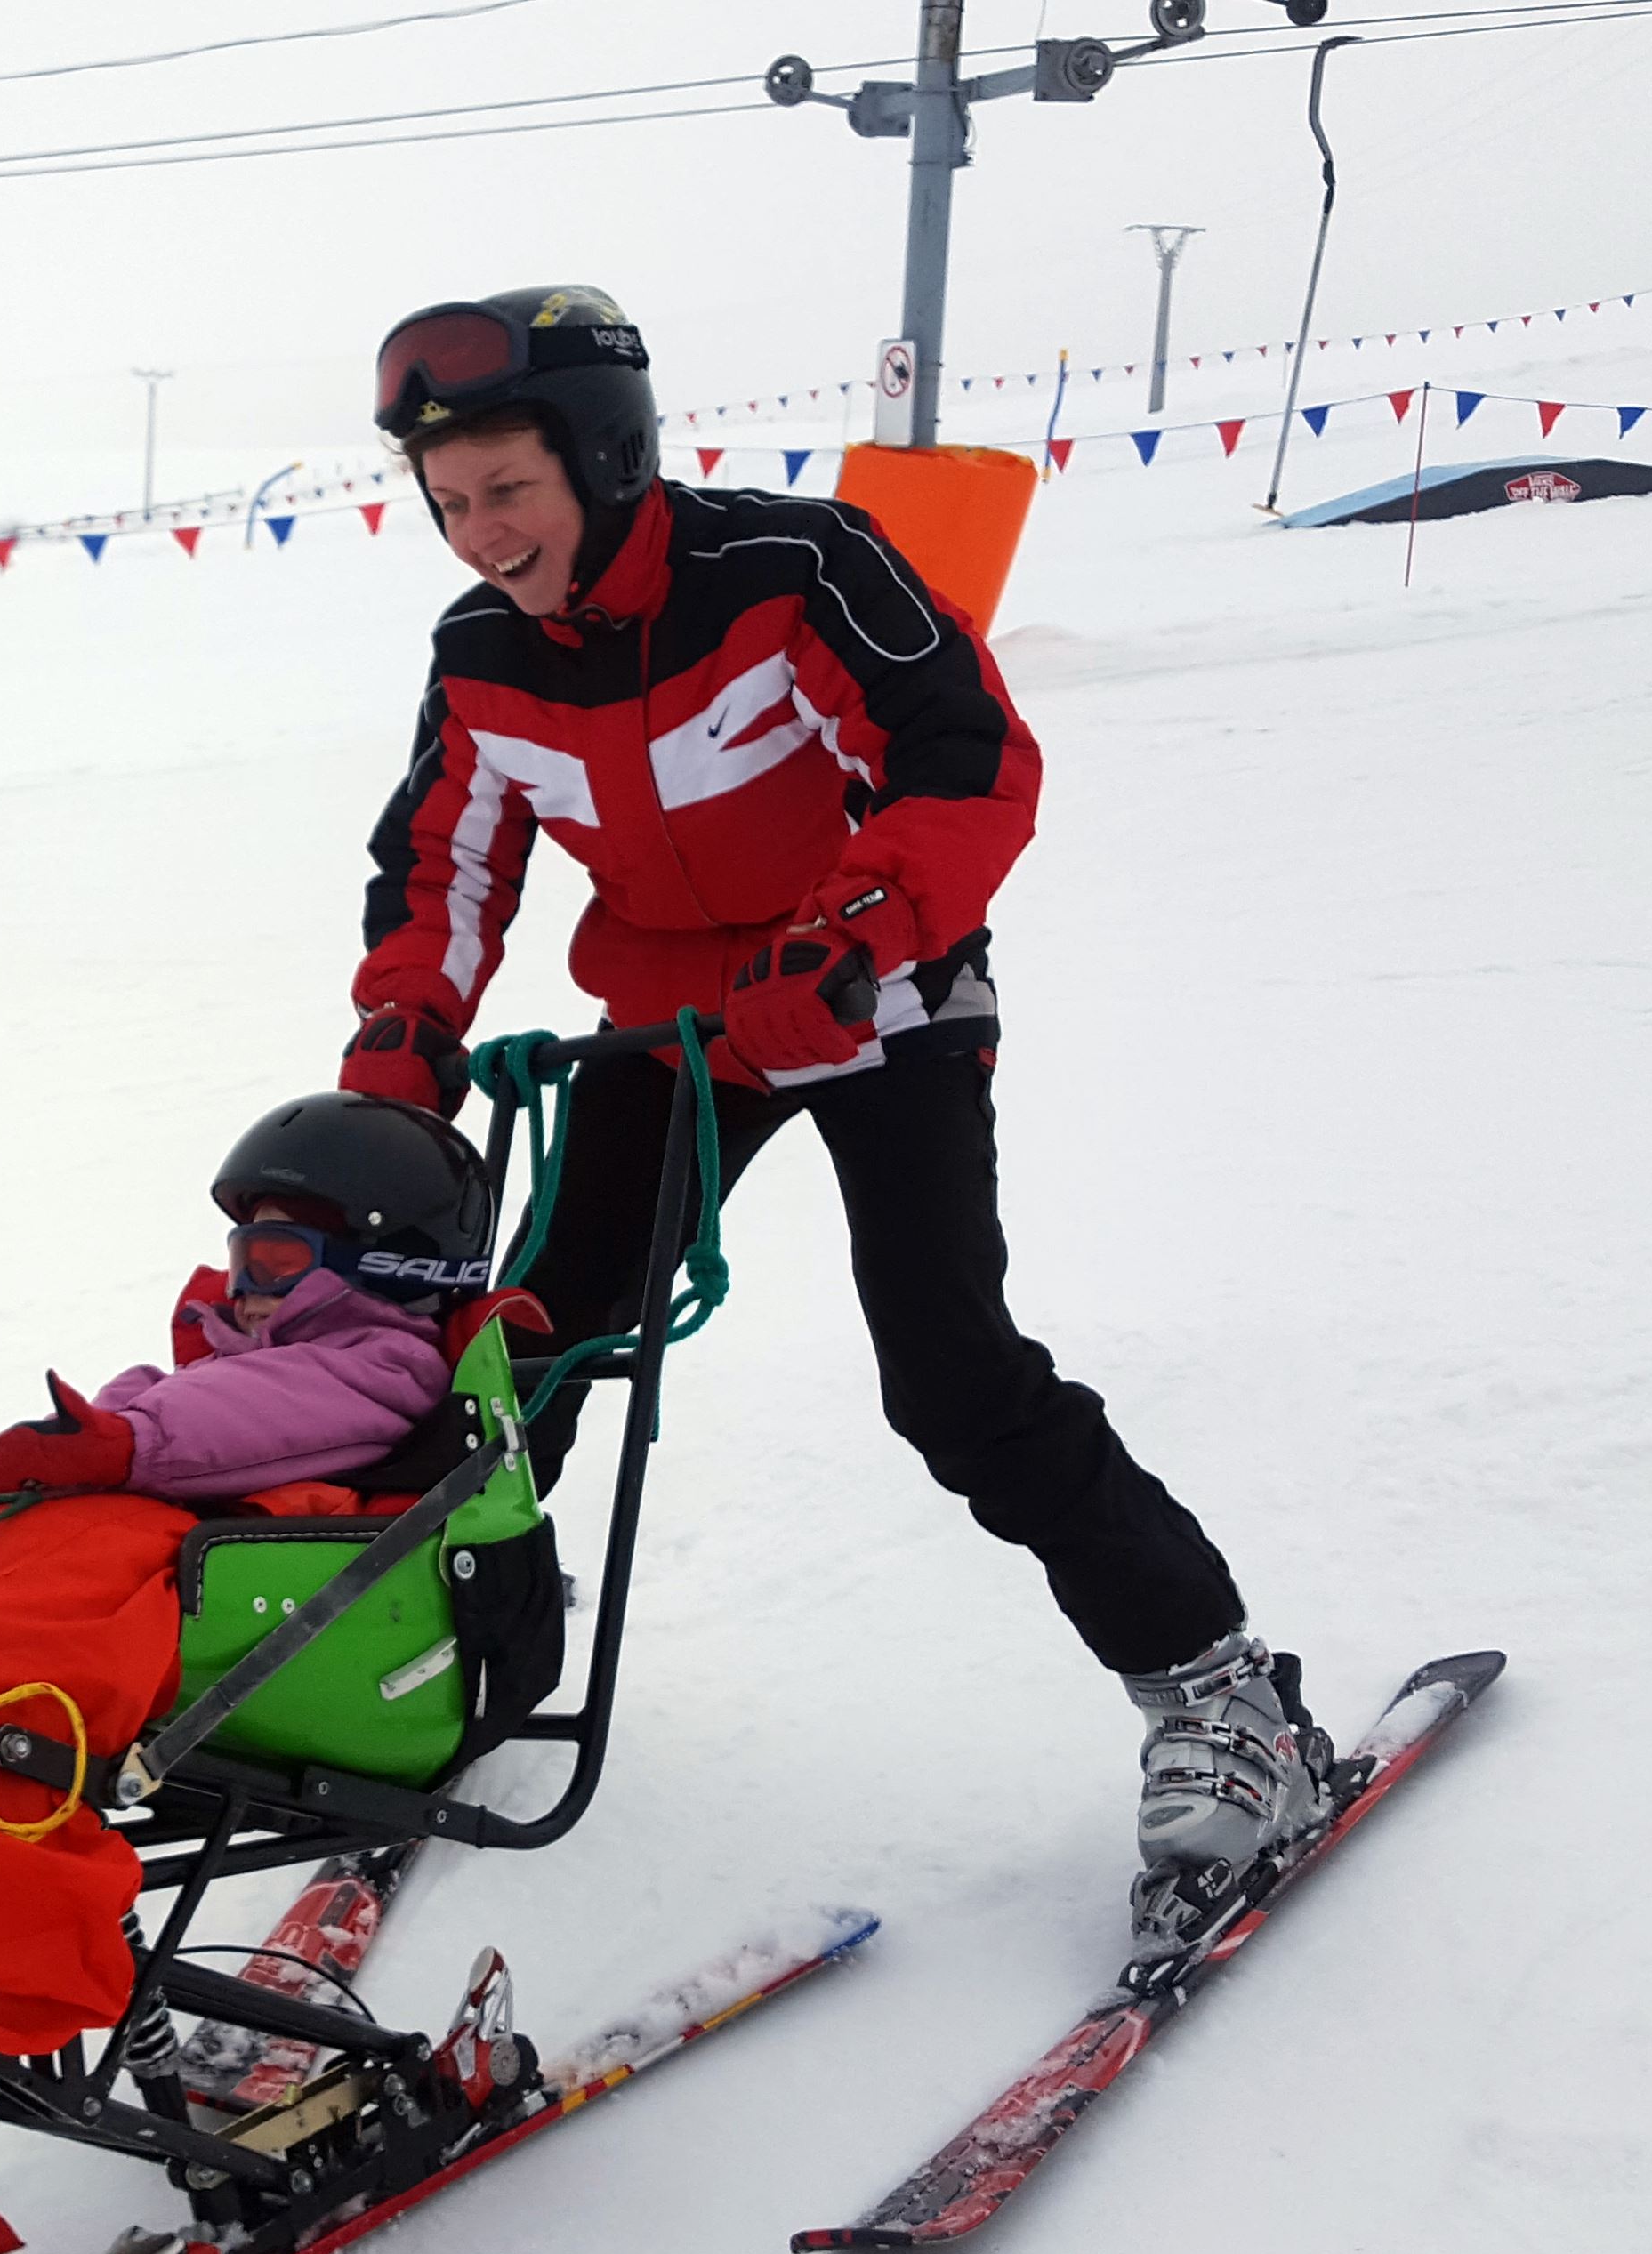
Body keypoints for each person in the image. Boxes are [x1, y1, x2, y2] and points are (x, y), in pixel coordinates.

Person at [334, 284, 1318, 1969]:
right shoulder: (482, 658)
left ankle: (1224, 1700)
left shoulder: (792, 567)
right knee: (531, 1343)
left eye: (508, 486)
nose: (479, 532)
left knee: (948, 1371)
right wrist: (402, 1028)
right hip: (669, 1024)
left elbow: (957, 752)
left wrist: (857, 932)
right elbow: (441, 862)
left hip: (878, 998)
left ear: (604, 457)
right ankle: (424, 1672)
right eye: (449, 502)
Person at [0, 1093, 492, 1508]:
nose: (244, 1289)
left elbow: (249, 1408)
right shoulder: (243, 1364)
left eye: (275, 1260)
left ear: (381, 1269)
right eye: (242, 1262)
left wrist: (126, 1442)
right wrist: (7, 1479)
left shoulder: (384, 1366)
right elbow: (170, 1395)